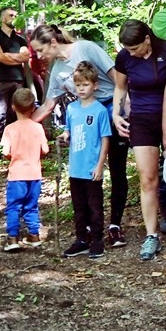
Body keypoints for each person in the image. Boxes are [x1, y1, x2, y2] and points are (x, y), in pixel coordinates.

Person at [29, 24, 127, 250]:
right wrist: (25, 124)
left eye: (40, 50)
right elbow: (48, 105)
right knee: (88, 175)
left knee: (117, 169)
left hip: (112, 108)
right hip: (85, 116)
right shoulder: (57, 71)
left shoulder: (86, 49)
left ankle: (114, 225)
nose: (39, 56)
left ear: (53, 42)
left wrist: (125, 107)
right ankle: (90, 229)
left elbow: (118, 78)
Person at [114, 20, 166, 260]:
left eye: (135, 48)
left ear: (147, 39)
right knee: (147, 179)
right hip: (141, 120)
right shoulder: (124, 57)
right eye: (127, 49)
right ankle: (151, 235)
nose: (131, 53)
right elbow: (120, 87)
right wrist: (116, 113)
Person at [58, 64, 113, 260]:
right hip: (76, 168)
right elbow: (68, 129)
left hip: (91, 168)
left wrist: (100, 165)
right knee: (79, 207)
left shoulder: (100, 111)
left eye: (85, 84)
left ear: (95, 86)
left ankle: (97, 240)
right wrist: (65, 135)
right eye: (78, 85)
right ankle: (82, 239)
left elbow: (105, 139)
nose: (81, 89)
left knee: (94, 206)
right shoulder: (72, 108)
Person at [0, 90, 47, 251]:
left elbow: (6, 152)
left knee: (13, 206)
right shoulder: (38, 128)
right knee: (31, 206)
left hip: (16, 176)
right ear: (33, 108)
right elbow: (45, 149)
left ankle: (13, 238)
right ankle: (34, 235)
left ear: (13, 107)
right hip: (34, 174)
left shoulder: (10, 129)